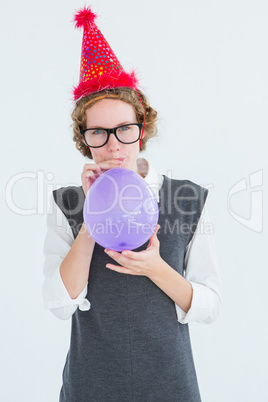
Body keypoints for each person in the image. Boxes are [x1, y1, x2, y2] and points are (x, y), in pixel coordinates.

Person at [42, 6, 222, 402]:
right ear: (83, 138)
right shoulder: (69, 204)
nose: (112, 146)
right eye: (99, 133)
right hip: (90, 386)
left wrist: (157, 269)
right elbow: (58, 303)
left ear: (142, 129)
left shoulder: (186, 197)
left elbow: (210, 305)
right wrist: (92, 217)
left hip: (171, 386)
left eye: (124, 129)